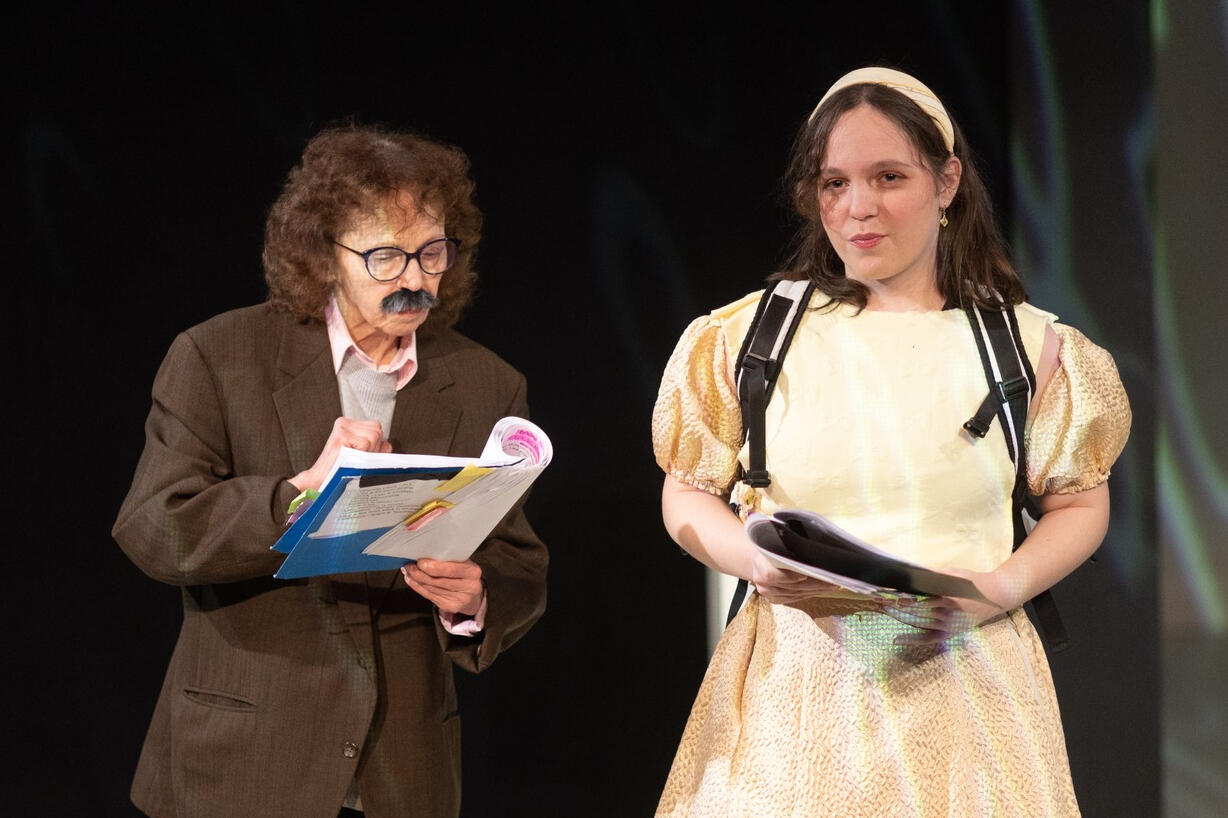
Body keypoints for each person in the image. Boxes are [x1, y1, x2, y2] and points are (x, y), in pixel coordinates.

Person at [650, 67, 1130, 817]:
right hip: (797, 693)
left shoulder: (1027, 349)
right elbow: (687, 486)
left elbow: (1079, 504)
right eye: (834, 182)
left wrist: (990, 594)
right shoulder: (750, 338)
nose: (857, 208)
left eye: (888, 177)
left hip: (966, 682)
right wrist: (749, 560)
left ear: (948, 184)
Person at [113, 124, 549, 818]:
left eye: (432, 252)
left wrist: (476, 599)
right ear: (323, 256)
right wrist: (294, 495)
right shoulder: (219, 357)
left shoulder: (485, 383)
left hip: (402, 773)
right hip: (245, 760)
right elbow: (154, 526)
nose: (413, 278)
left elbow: (518, 563)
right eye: (384, 257)